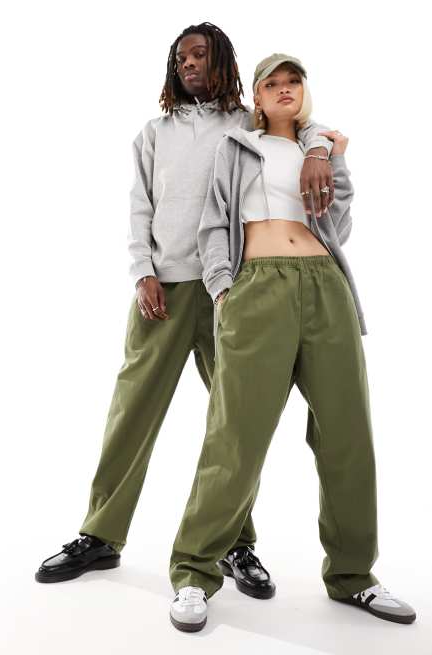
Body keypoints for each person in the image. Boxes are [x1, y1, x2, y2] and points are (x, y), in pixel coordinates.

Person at [35, 28, 335, 597]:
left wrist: (319, 149)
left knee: (237, 423)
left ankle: (235, 544)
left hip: (236, 290)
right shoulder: (155, 133)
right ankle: (100, 535)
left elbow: (307, 127)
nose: (189, 64)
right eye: (181, 58)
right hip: (164, 290)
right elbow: (139, 205)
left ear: (222, 61)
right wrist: (142, 270)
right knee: (132, 409)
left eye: (200, 55)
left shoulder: (248, 123)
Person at [168, 53, 416, 632]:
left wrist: (326, 154)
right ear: (256, 97)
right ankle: (194, 571)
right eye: (272, 83)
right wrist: (224, 291)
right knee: (235, 435)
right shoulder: (236, 147)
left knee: (347, 432)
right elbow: (213, 225)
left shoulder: (321, 148)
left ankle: (353, 575)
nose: (284, 89)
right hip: (257, 289)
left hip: (325, 285)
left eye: (293, 81)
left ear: (305, 91)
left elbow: (338, 226)